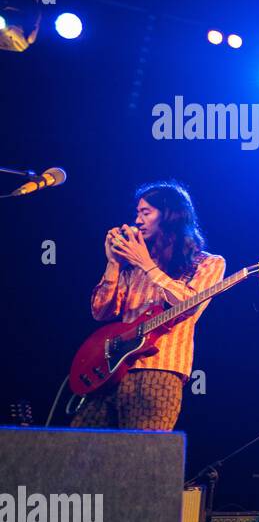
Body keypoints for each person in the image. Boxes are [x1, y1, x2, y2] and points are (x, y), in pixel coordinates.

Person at [72, 181, 225, 431]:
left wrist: (146, 264)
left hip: (159, 370)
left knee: (142, 457)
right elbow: (101, 312)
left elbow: (188, 304)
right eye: (137, 213)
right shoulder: (133, 265)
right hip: (110, 371)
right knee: (79, 448)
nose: (137, 221)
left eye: (146, 213)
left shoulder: (207, 263)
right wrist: (113, 263)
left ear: (170, 216)